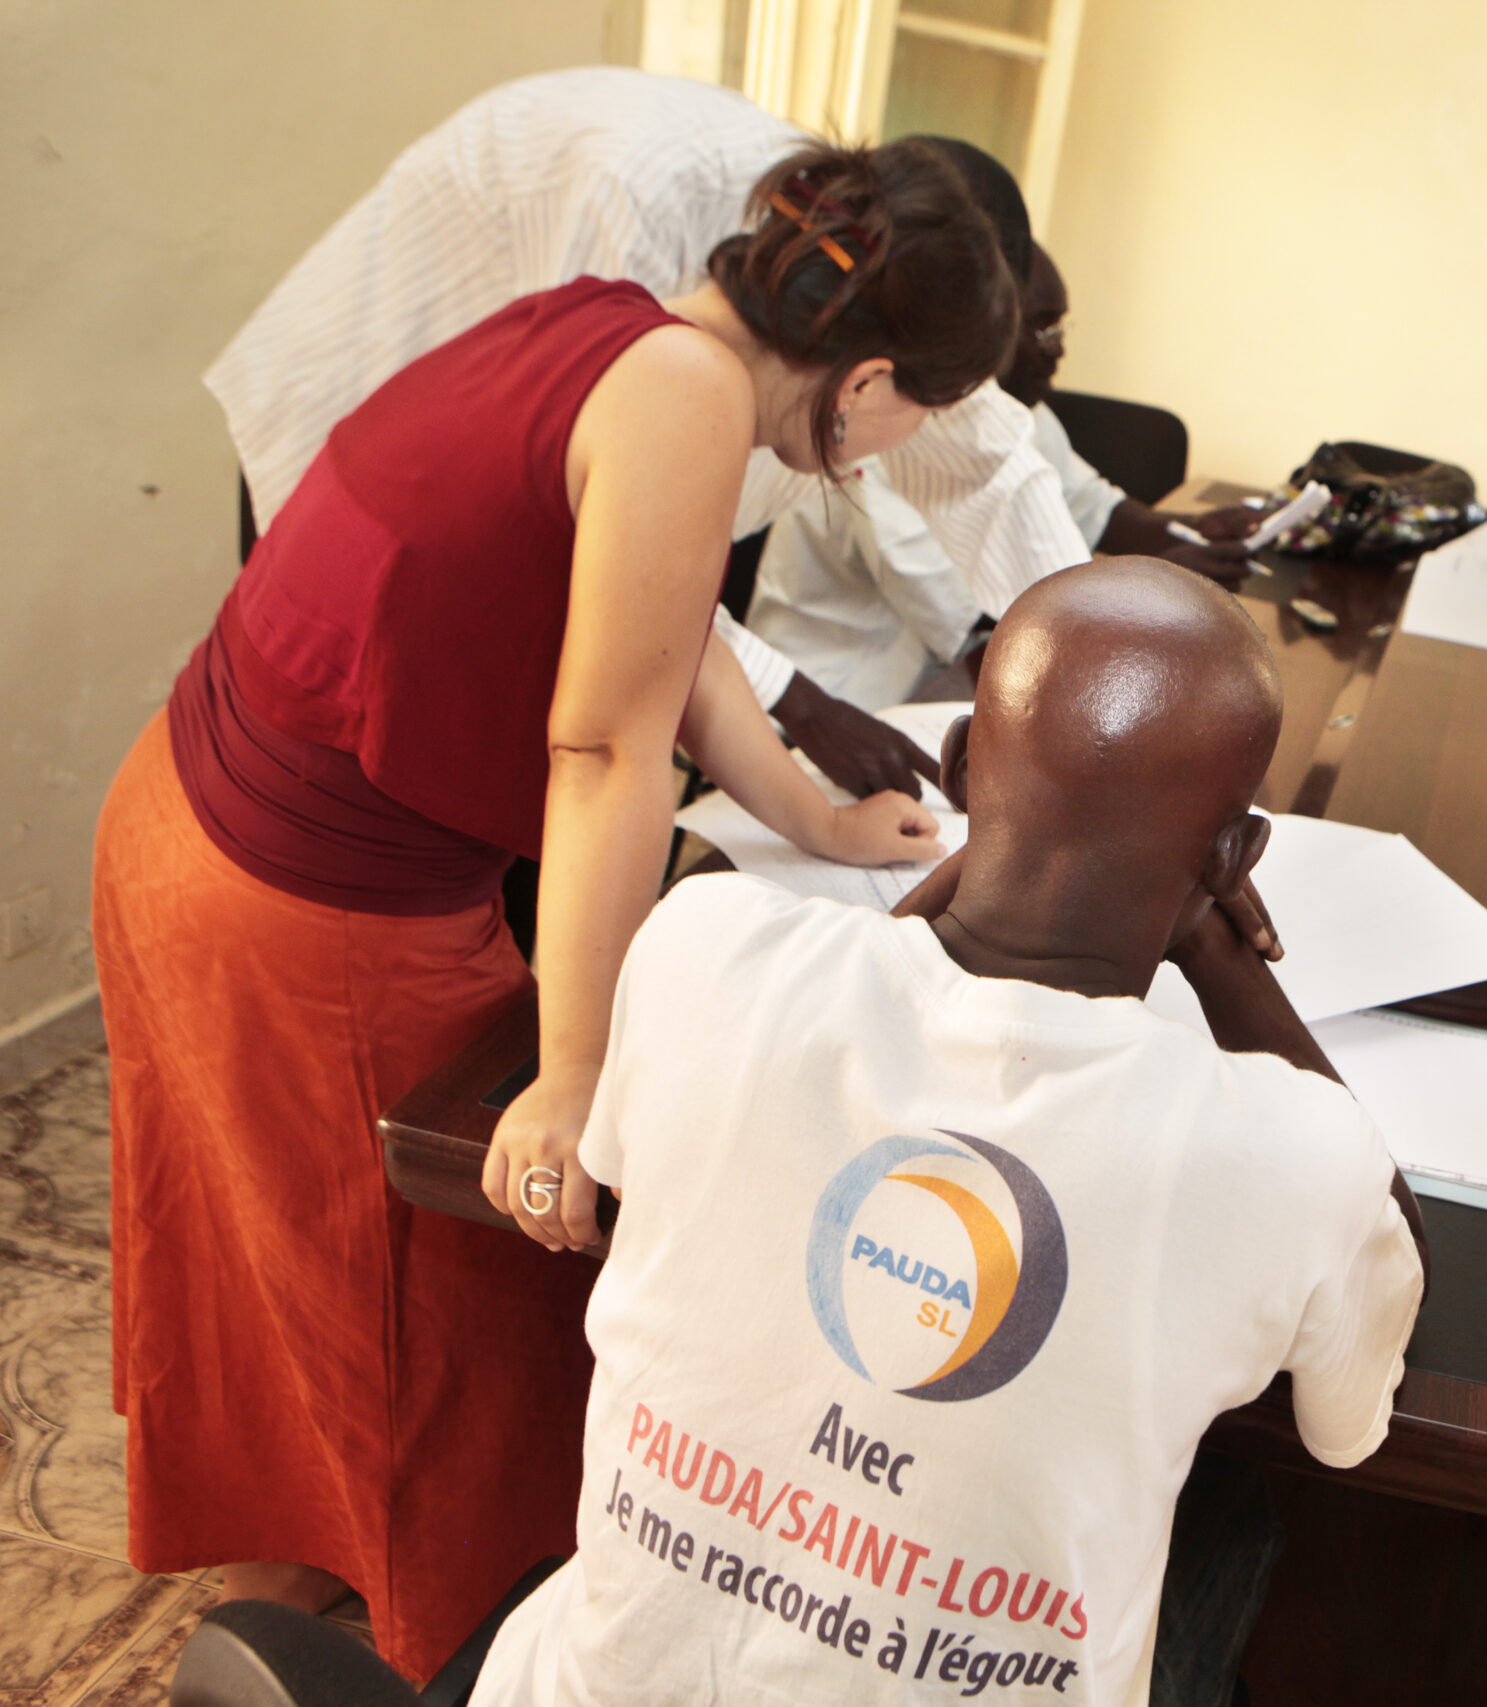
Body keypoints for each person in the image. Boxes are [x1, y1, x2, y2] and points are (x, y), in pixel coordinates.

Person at [93, 141, 999, 1676]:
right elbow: (602, 746)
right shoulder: (693, 399)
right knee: (453, 1299)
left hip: (180, 821)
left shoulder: (621, 325)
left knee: (280, 1263)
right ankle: (416, 1647)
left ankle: (284, 1604)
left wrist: (819, 816)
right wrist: (572, 1077)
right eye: (924, 409)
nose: (903, 440)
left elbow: (669, 626)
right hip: (297, 909)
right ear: (866, 382)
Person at [471, 558, 1429, 1706]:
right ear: (1232, 858)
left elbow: (904, 975)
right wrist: (1212, 945)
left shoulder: (701, 947)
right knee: (1231, 1520)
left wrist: (1015, 833)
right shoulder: (1293, 1158)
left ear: (965, 765)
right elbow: (1364, 1362)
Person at [204, 65, 1087, 800]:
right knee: (374, 791)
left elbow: (988, 467)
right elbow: (576, 546)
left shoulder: (871, 279)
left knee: (518, 804)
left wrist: (1096, 673)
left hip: (509, 541)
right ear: (873, 360)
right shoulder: (638, 201)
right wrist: (795, 703)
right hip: (354, 460)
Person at [746, 240, 1261, 708]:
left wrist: (1191, 533)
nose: (1058, 346)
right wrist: (1148, 589)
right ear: (984, 329)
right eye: (1041, 327)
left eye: (1061, 324)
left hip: (940, 680)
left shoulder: (1026, 414)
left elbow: (1094, 508)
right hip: (834, 700)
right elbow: (976, 622)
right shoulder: (887, 427)